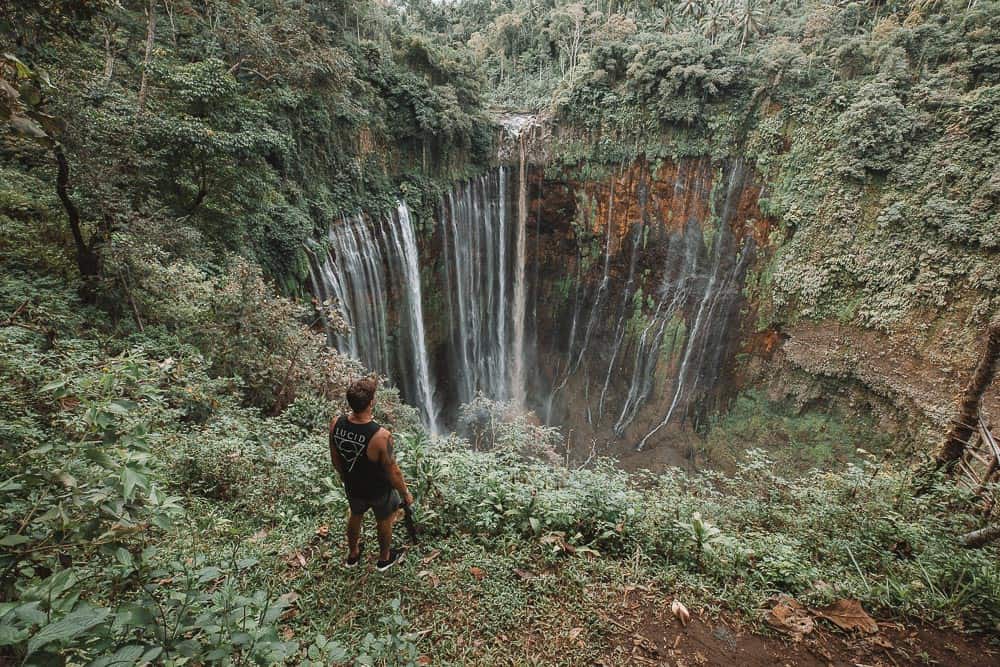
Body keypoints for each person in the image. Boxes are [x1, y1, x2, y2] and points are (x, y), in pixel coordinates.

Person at [329, 377, 413, 572]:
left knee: (355, 514)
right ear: (371, 403)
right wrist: (405, 493)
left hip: (352, 485)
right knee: (384, 519)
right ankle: (384, 559)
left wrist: (344, 476)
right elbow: (393, 471)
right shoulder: (381, 436)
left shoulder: (335, 424)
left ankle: (353, 555)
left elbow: (335, 456)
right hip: (378, 490)